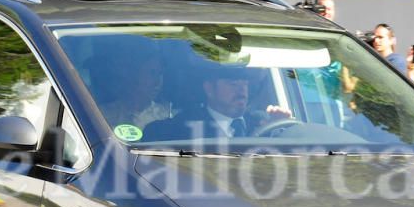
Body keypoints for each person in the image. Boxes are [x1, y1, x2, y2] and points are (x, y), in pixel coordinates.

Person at [144, 64, 291, 143]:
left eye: (244, 84)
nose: (241, 90)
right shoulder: (175, 131)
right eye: (232, 83)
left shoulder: (264, 123)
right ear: (209, 88)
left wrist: (283, 129)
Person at [99, 54, 171, 130]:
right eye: (152, 73)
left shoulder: (164, 117)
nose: (158, 82)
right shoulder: (103, 116)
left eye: (161, 74)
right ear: (135, 74)